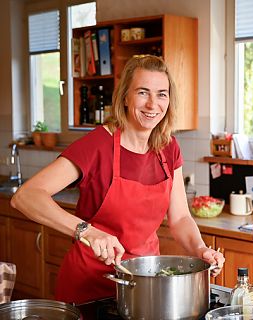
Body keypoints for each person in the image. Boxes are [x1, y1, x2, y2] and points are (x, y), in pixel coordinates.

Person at [10, 55, 225, 304]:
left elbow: (180, 218)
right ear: (125, 97)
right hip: (89, 289)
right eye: (143, 92)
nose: (152, 104)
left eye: (162, 94)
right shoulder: (97, 145)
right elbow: (26, 196)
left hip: (144, 286)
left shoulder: (168, 147)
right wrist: (86, 231)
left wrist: (201, 250)